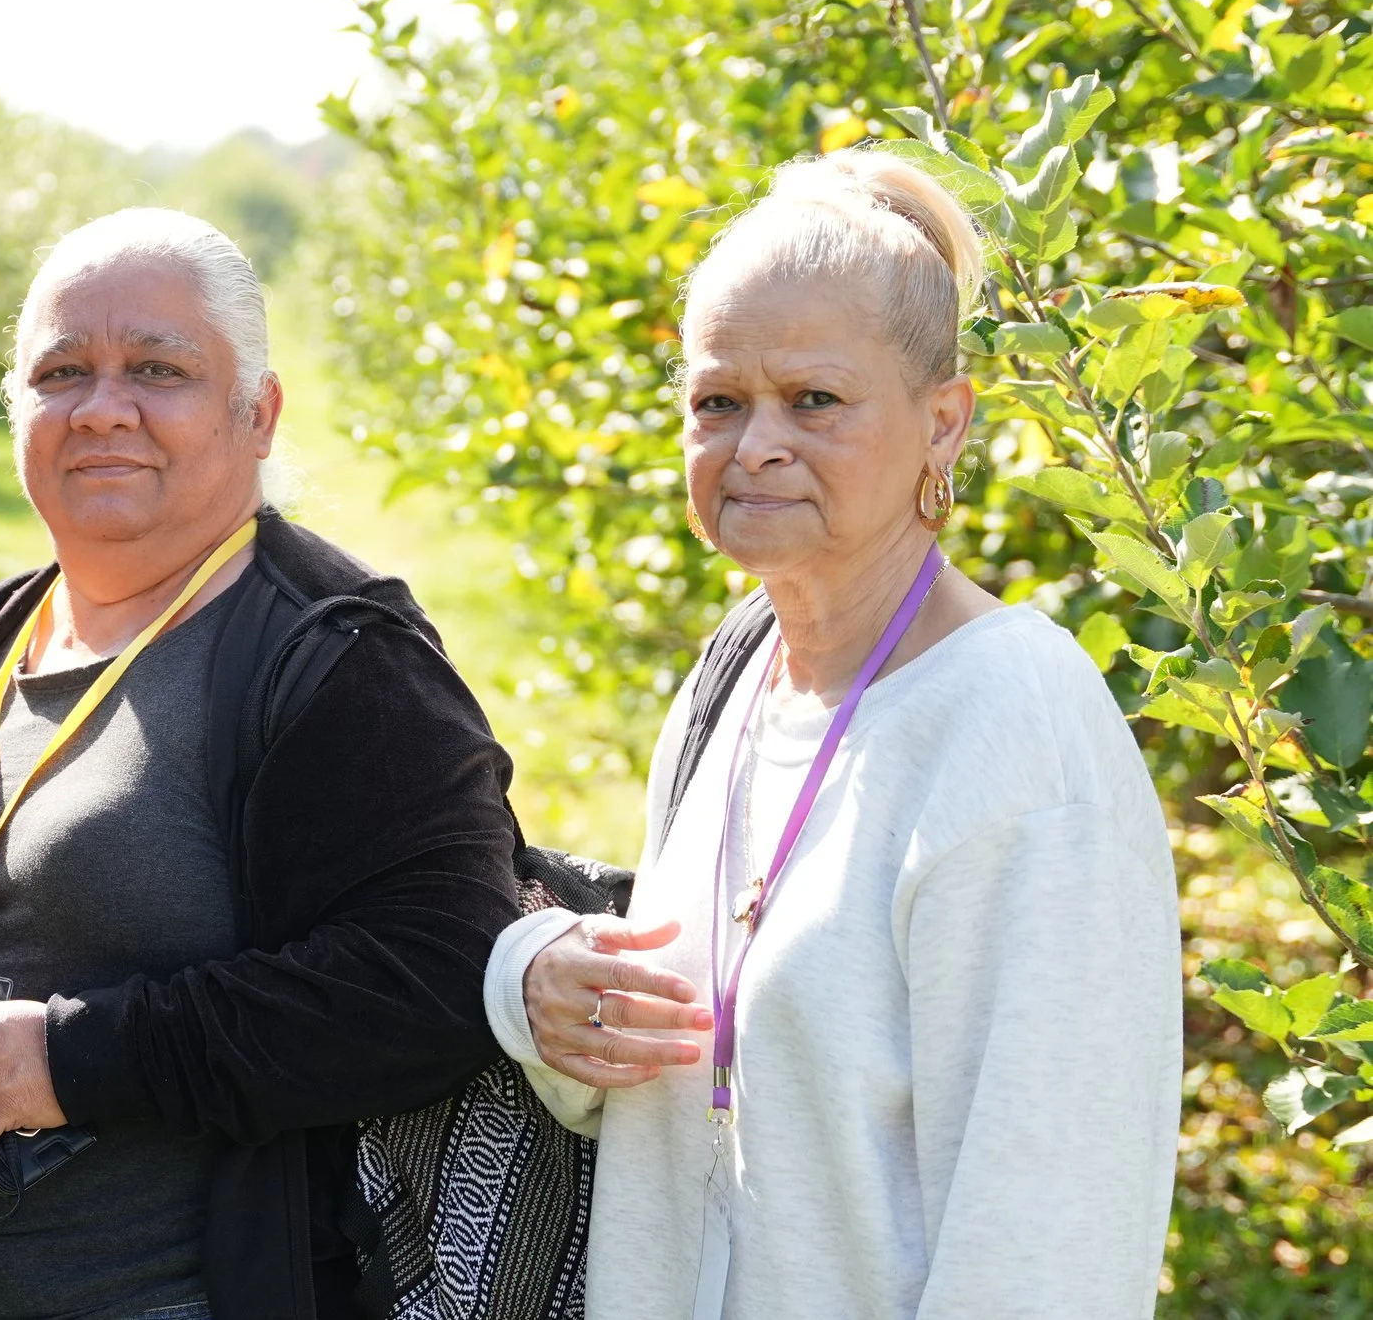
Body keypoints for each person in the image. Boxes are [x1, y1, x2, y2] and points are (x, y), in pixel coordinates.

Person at [0, 208, 523, 1320]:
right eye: (61, 371)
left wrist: (78, 1057)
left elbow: (436, 972)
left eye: (158, 369)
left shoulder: (336, 656)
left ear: (257, 413)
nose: (102, 408)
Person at [485, 150, 1182, 1318]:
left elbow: (1047, 1242)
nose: (754, 443)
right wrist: (531, 982)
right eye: (718, 400)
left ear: (942, 425)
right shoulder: (735, 675)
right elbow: (677, 1078)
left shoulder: (1017, 731)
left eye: (813, 400)